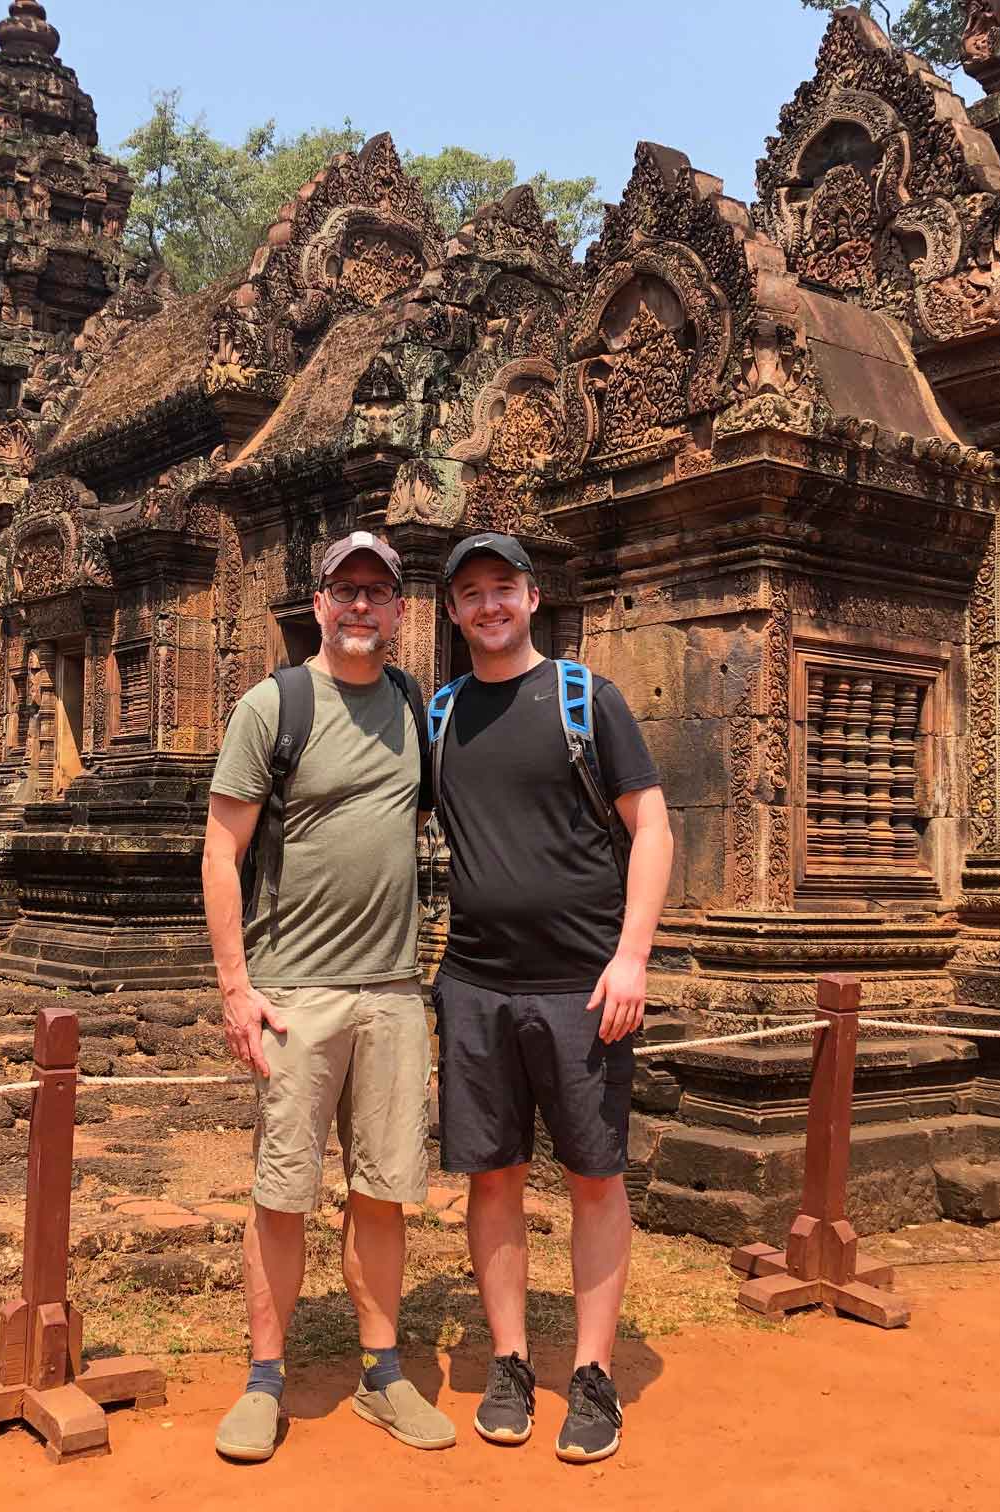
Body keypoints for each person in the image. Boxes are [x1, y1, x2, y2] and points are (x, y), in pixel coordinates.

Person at [201, 530, 451, 1464]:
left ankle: (382, 1373)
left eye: (375, 594)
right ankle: (265, 1380)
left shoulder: (414, 708)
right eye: (344, 591)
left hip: (391, 991)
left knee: (383, 1191)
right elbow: (222, 850)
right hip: (296, 991)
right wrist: (236, 987)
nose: (359, 608)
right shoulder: (274, 706)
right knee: (283, 1192)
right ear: (318, 604)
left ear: (398, 611)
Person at [431, 531, 673, 1465]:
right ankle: (507, 1359)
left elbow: (649, 824)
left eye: (503, 589)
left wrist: (634, 957)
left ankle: (595, 1373)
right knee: (490, 1174)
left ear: (532, 598)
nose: (488, 607)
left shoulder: (586, 698)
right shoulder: (442, 714)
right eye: (470, 595)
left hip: (583, 981)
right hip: (476, 980)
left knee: (592, 1173)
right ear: (451, 614)